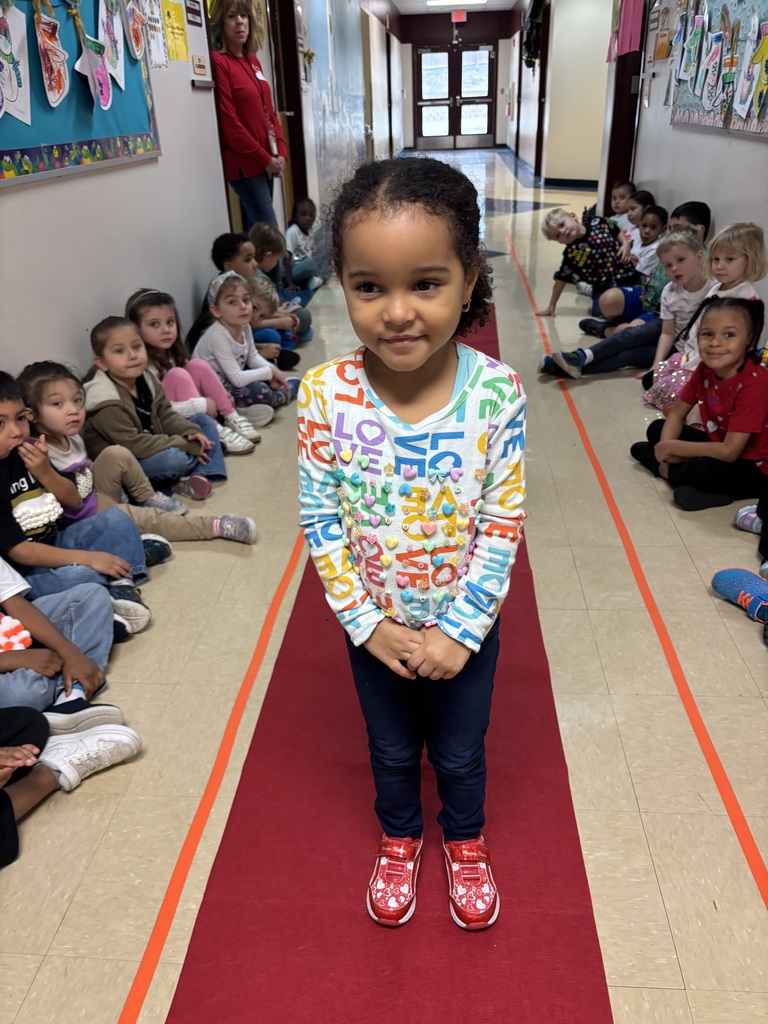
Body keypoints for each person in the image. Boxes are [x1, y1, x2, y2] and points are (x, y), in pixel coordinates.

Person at [297, 157, 526, 931]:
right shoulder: (325, 394)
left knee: (460, 753)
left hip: (467, 629)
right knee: (391, 750)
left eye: (425, 283)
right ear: (341, 281)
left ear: (469, 281)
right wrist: (366, 622)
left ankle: (464, 841)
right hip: (377, 629)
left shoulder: (497, 393)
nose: (397, 312)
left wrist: (461, 631)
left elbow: (503, 518)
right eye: (370, 287)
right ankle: (401, 838)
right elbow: (320, 517)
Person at [18, 362, 258, 547]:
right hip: (84, 519)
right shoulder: (36, 451)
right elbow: (66, 501)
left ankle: (147, 496)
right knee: (149, 519)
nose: (73, 410)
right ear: (32, 415)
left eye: (77, 400)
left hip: (94, 497)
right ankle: (215, 526)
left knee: (116, 454)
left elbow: (92, 473)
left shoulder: (71, 436)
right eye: (58, 404)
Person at [0, 372, 151, 635]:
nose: (16, 431)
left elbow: (72, 499)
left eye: (20, 418)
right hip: (27, 574)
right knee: (84, 576)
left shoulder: (27, 452)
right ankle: (107, 593)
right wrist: (89, 559)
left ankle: (123, 584)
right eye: (0, 423)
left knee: (116, 519)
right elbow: (21, 553)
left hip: (55, 543)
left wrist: (45, 471)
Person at [630, 299, 768, 555]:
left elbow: (730, 452)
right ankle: (672, 471)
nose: (716, 342)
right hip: (719, 446)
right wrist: (665, 446)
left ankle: (669, 472)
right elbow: (677, 413)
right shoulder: (705, 369)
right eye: (708, 334)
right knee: (656, 430)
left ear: (749, 342)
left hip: (755, 466)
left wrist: (671, 448)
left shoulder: (756, 383)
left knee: (698, 467)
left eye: (729, 335)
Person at [83, 317, 227, 501]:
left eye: (137, 346)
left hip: (154, 443)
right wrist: (183, 443)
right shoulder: (105, 399)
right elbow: (133, 445)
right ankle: (199, 463)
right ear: (101, 362)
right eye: (119, 351)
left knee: (203, 421)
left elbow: (165, 415)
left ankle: (201, 475)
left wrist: (188, 431)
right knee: (175, 459)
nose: (132, 355)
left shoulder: (146, 378)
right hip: (131, 464)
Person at [547, 227, 710, 379]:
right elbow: (667, 333)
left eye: (680, 260)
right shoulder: (669, 291)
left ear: (698, 257)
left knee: (630, 356)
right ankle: (581, 356)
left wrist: (656, 368)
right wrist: (656, 366)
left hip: (681, 350)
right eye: (668, 265)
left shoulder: (714, 290)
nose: (674, 268)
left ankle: (562, 367)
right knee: (631, 334)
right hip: (666, 329)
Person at [643, 221, 768, 410]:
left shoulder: (745, 299)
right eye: (716, 259)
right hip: (692, 355)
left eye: (729, 260)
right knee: (650, 379)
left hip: (711, 367)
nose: (719, 266)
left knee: (672, 394)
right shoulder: (716, 288)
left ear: (749, 260)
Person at [126, 287, 260, 452]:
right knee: (177, 374)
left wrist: (221, 397)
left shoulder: (174, 354)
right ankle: (215, 430)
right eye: (154, 324)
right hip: (166, 421)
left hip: (192, 411)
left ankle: (231, 416)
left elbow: (192, 386)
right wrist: (201, 404)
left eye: (170, 322)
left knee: (197, 365)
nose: (166, 330)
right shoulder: (143, 367)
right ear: (136, 329)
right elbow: (155, 411)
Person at [208, 0, 286, 228]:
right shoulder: (219, 62)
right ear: (221, 23)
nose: (239, 22)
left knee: (259, 234)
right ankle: (274, 266)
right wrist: (266, 159)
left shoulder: (252, 60)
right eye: (231, 16)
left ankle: (257, 265)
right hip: (246, 164)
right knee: (269, 234)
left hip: (267, 161)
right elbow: (231, 124)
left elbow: (269, 112)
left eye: (243, 16)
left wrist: (281, 152)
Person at [195, 272, 300, 412]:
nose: (243, 306)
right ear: (216, 311)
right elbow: (237, 378)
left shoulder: (244, 327)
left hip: (230, 383)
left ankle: (249, 408)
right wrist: (268, 372)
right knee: (259, 390)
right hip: (212, 393)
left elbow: (252, 356)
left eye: (246, 300)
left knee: (261, 380)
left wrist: (273, 371)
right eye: (233, 302)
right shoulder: (218, 336)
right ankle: (282, 396)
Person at [536, 207, 638, 320]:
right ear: (560, 242)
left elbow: (616, 231)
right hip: (603, 287)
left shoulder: (597, 222)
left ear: (573, 216)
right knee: (601, 314)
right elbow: (561, 279)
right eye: (557, 235)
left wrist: (625, 244)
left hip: (627, 276)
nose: (563, 231)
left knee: (639, 301)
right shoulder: (572, 253)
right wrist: (552, 305)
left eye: (562, 225)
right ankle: (591, 291)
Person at [284, 197, 326, 290]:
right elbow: (286, 259)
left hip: (308, 268)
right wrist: (290, 284)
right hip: (295, 271)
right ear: (295, 216)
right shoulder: (293, 232)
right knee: (312, 263)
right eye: (303, 215)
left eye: (311, 215)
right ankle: (320, 277)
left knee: (327, 258)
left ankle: (313, 281)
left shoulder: (310, 231)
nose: (308, 218)